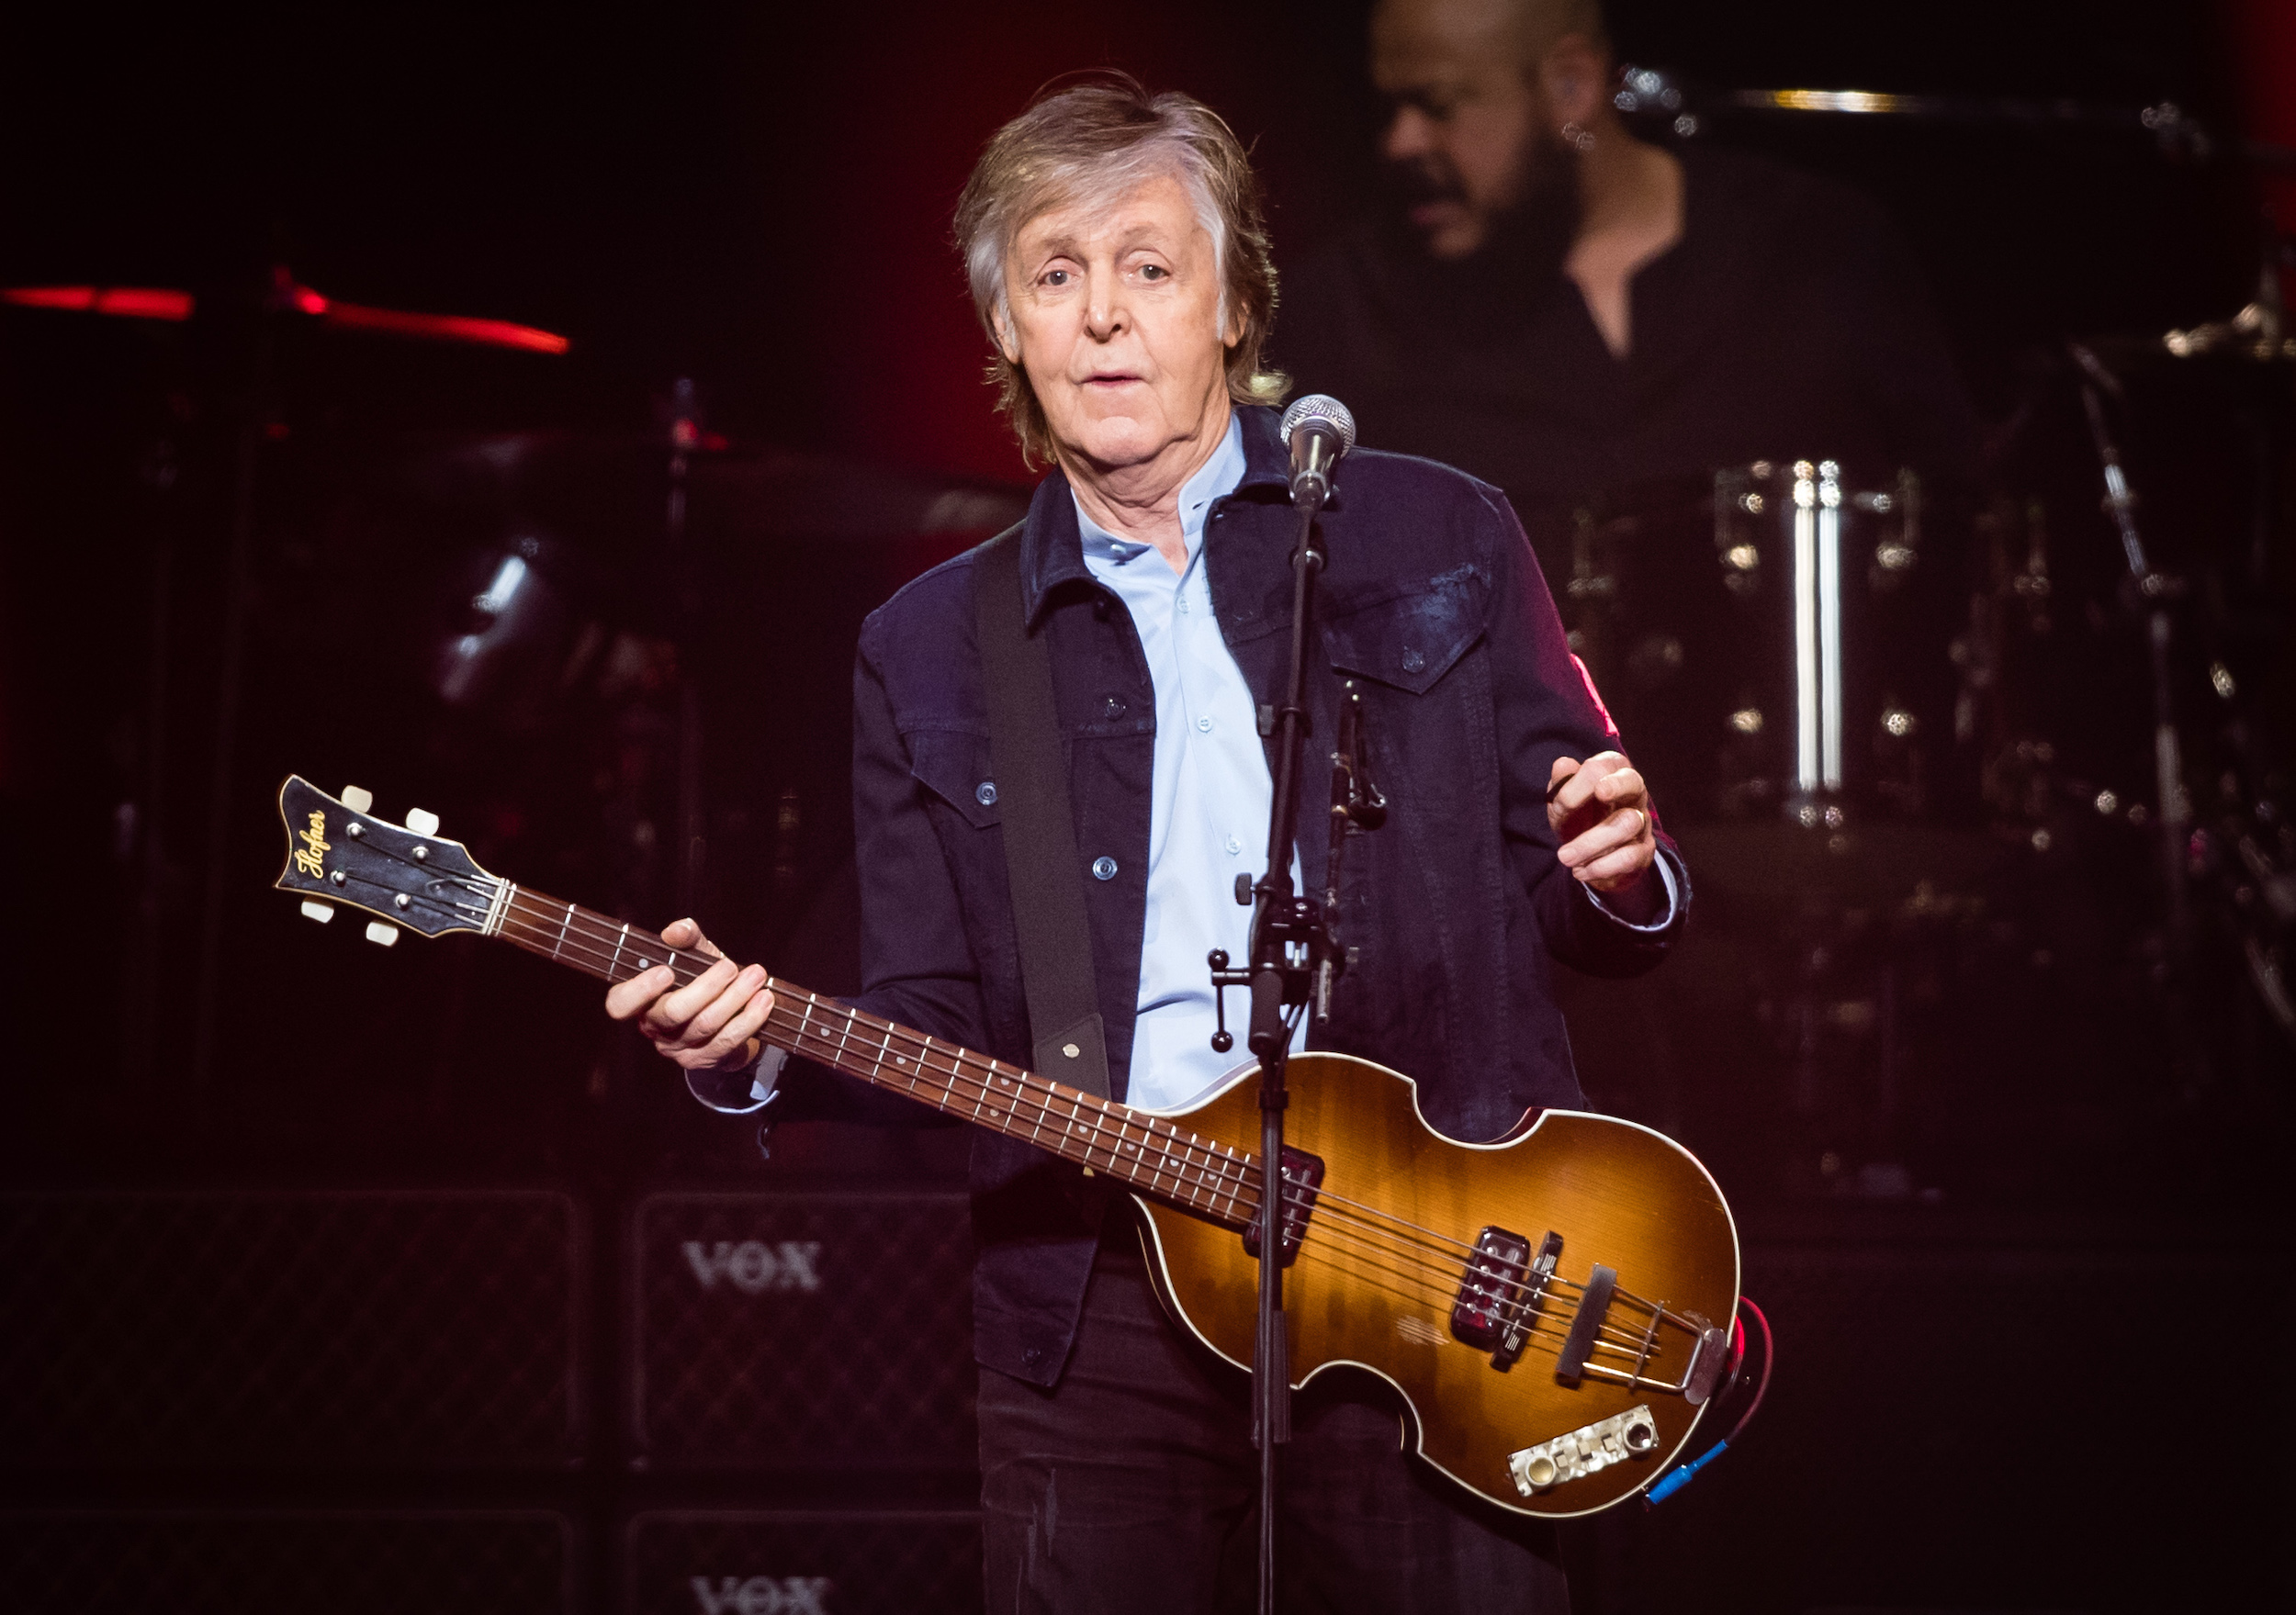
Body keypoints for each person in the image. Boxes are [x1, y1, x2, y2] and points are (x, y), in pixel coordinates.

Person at [603, 76, 1687, 1613]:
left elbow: (1586, 882)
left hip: (1442, 1263)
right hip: (1099, 1298)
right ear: (1009, 332)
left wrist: (1623, 866)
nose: (1102, 315)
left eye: (1148, 267)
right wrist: (755, 1044)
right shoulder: (928, 646)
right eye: (1056, 273)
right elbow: (926, 1023)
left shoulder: (1435, 530)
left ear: (1232, 305)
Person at [1277, 0, 1983, 535]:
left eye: (1437, 105)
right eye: (1389, 108)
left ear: (1572, 88)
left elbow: (1967, 520)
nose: (1401, 142)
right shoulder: (1344, 309)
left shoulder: (1815, 246)